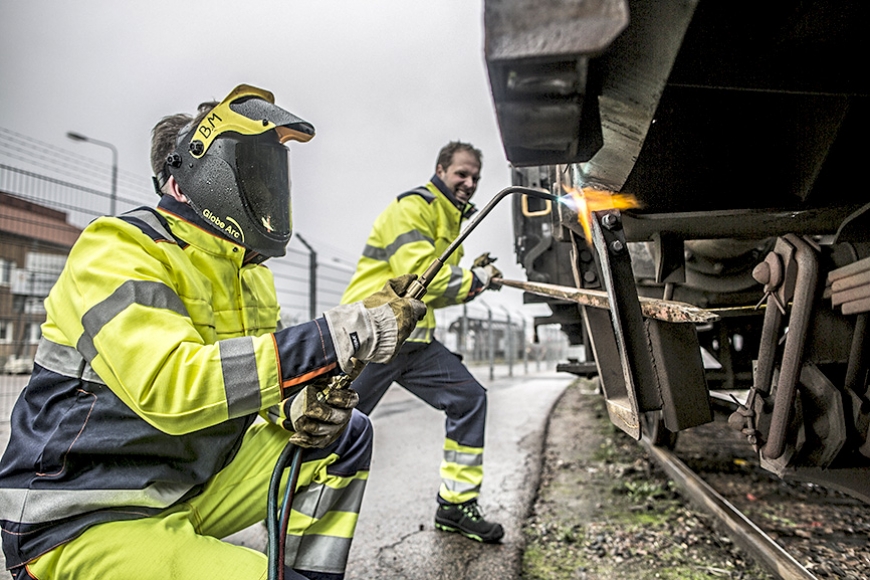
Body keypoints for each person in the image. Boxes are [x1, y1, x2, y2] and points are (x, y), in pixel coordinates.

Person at [0, 84, 426, 580]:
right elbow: (173, 387)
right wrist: (344, 333)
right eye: (247, 171)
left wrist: (293, 408)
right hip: (86, 515)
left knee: (344, 437)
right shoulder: (116, 250)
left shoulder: (249, 274)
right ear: (183, 180)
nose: (265, 188)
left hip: (188, 487)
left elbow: (252, 382)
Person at [340, 141, 505, 543]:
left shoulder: (451, 219)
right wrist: (476, 281)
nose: (469, 183)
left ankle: (455, 507)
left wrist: (472, 281)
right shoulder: (414, 207)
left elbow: (436, 288)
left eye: (475, 178)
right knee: (334, 425)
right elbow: (419, 275)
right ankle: (289, 506)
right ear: (441, 169)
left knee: (469, 399)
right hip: (374, 336)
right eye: (461, 174)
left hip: (412, 343)